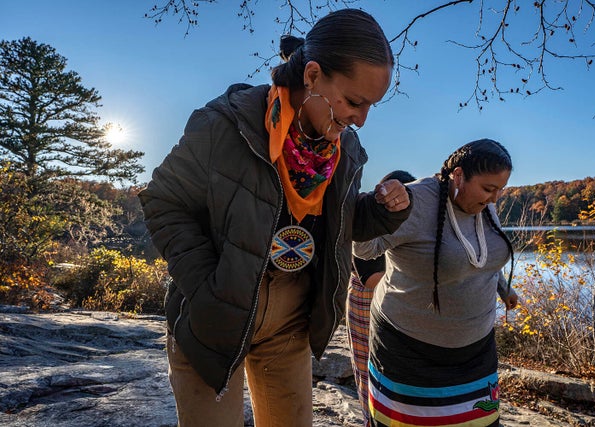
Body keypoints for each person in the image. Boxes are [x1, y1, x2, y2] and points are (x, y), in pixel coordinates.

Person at [138, 9, 412, 426]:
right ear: (314, 75)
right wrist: (207, 290)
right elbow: (163, 201)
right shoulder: (223, 125)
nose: (361, 119)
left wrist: (382, 211)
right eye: (354, 101)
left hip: (288, 331)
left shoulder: (344, 150)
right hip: (211, 329)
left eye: (371, 106)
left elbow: (341, 223)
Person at [355, 139, 520, 427]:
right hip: (411, 352)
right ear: (458, 175)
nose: (494, 198)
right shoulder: (416, 201)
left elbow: (482, 257)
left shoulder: (483, 205)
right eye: (488, 189)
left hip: (476, 354)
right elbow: (365, 250)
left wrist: (505, 289)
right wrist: (374, 208)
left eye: (500, 190)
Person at [349, 170, 416, 425]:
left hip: (398, 303)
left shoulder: (414, 222)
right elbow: (371, 278)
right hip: (366, 300)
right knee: (370, 374)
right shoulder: (370, 218)